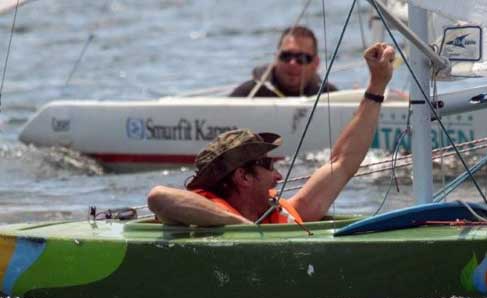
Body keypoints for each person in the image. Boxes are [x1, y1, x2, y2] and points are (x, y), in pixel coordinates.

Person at [147, 42, 394, 226]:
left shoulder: (290, 211)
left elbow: (341, 162)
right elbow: (158, 197)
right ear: (243, 177)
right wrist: (241, 227)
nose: (278, 176)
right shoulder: (202, 214)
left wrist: (377, 85)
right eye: (268, 165)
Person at [229, 25, 338, 98]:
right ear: (276, 58)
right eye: (286, 56)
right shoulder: (248, 94)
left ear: (316, 63)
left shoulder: (329, 96)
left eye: (302, 58)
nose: (292, 63)